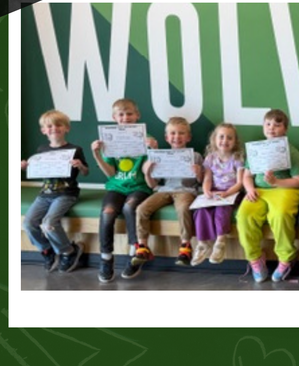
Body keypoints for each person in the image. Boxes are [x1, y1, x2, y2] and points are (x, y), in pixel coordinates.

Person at [126, 117, 204, 278]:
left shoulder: (195, 156)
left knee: (183, 208)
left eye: (181, 133)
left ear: (188, 137)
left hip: (186, 190)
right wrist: (147, 172)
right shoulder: (159, 156)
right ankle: (143, 246)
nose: (177, 136)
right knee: (141, 209)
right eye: (173, 133)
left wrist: (198, 173)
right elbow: (152, 185)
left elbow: (201, 182)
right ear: (167, 137)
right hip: (163, 190)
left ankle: (185, 246)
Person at [91, 98, 157, 283]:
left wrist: (154, 150)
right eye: (121, 114)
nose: (125, 118)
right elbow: (110, 173)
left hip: (139, 187)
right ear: (114, 118)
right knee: (107, 212)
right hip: (117, 187)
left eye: (129, 114)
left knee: (130, 208)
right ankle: (105, 258)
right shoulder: (109, 141)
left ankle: (135, 253)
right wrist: (97, 154)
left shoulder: (147, 138)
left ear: (137, 116)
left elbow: (150, 170)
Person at [239, 110, 299, 283]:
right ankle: (254, 258)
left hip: (284, 189)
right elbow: (246, 175)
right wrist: (249, 188)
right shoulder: (256, 149)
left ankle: (286, 258)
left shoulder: (290, 151)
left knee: (280, 215)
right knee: (244, 215)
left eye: (277, 125)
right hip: (259, 191)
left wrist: (277, 182)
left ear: (285, 129)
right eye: (268, 124)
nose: (272, 128)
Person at [21, 109, 89, 273]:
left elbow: (86, 172)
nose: (54, 128)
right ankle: (47, 250)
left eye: (59, 125)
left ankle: (68, 252)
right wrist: (24, 167)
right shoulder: (41, 149)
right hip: (44, 194)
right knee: (28, 223)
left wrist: (79, 165)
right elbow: (37, 170)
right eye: (49, 126)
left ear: (67, 128)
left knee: (49, 223)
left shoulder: (75, 149)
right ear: (43, 130)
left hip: (66, 194)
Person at [192, 123, 245, 267]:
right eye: (221, 137)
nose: (225, 141)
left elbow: (240, 182)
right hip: (214, 192)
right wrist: (206, 190)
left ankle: (220, 242)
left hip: (231, 193)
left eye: (229, 138)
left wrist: (227, 193)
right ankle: (203, 243)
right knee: (201, 211)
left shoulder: (237, 158)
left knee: (221, 211)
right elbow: (207, 177)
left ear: (235, 141)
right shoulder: (210, 158)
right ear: (214, 139)